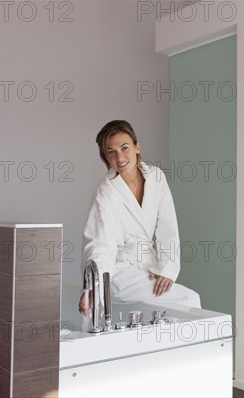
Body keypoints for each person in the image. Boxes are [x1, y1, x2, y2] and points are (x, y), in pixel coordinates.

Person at [79, 120, 200, 316]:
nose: (119, 157)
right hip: (120, 273)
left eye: (124, 148)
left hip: (149, 268)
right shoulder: (106, 191)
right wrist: (95, 286)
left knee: (178, 307)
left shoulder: (156, 178)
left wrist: (167, 271)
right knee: (189, 300)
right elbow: (101, 243)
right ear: (106, 157)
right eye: (111, 152)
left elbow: (168, 228)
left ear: (137, 147)